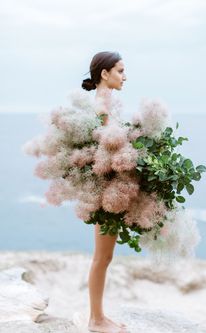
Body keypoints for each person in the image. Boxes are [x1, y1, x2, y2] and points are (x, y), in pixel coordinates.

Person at [81, 51, 128, 333]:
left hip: (110, 187)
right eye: (121, 71)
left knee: (105, 257)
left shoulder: (105, 103)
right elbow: (106, 151)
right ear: (105, 74)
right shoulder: (101, 106)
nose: (125, 77)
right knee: (102, 257)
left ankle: (99, 317)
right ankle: (96, 320)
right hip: (106, 188)